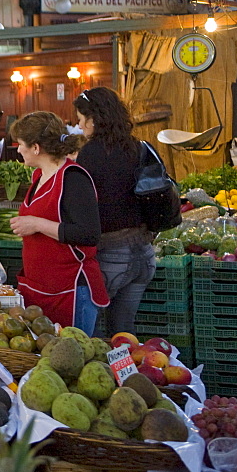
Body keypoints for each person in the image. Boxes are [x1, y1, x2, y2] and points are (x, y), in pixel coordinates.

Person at [9, 111, 108, 332]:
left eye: (21, 144)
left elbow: (88, 234)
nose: (18, 149)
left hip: (71, 289)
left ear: (36, 148)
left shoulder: (73, 178)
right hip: (41, 285)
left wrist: (36, 224)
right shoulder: (38, 176)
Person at [73, 86, 155, 336]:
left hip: (111, 256)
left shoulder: (90, 153)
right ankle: (126, 374)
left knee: (92, 335)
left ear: (94, 118)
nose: (80, 127)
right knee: (123, 334)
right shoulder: (139, 147)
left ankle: (105, 375)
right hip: (144, 253)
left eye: (80, 120)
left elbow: (82, 206)